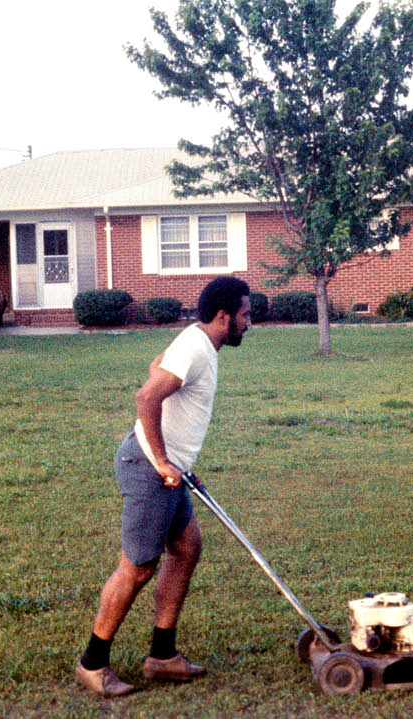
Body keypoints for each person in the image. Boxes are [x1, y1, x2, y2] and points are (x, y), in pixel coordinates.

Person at [76, 276, 251, 697]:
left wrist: (178, 462)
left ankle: (162, 655)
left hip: (170, 471)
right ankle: (92, 663)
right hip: (148, 468)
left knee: (187, 549)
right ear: (223, 316)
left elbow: (158, 367)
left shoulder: (197, 341)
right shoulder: (196, 347)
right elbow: (146, 396)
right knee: (136, 568)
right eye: (245, 315)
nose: (250, 323)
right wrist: (163, 460)